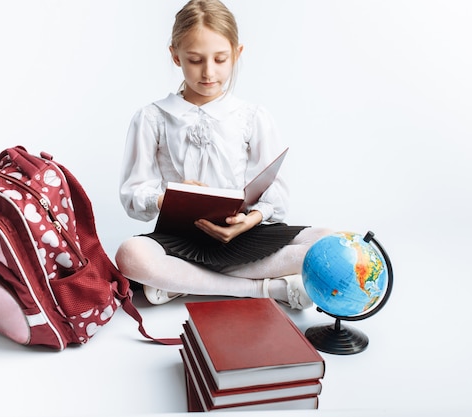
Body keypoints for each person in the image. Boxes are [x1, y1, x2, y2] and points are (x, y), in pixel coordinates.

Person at [115, 0, 331, 309]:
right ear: (175, 56)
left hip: (241, 234)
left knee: (327, 240)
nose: (208, 72)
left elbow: (274, 194)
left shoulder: (252, 116)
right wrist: (170, 198)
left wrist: (250, 219)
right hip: (179, 240)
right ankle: (265, 290)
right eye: (195, 60)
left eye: (220, 59)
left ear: (237, 54)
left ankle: (184, 282)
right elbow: (134, 195)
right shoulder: (153, 117)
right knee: (130, 255)